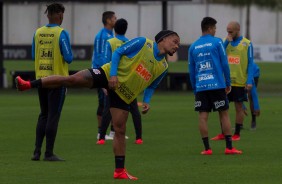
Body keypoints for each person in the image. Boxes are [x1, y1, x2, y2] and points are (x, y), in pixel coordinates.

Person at [16, 30, 180, 180]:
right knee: (71, 80)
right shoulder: (144, 43)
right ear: (163, 39)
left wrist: (147, 101)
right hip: (107, 75)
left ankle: (119, 171)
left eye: (178, 44)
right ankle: (28, 84)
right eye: (174, 41)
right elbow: (118, 52)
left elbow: (151, 85)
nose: (176, 46)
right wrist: (113, 75)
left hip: (124, 95)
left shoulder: (163, 66)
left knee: (120, 131)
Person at [188, 17, 242, 155]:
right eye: (215, 28)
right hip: (217, 85)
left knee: (203, 116)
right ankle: (229, 147)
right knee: (224, 114)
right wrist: (228, 82)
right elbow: (224, 64)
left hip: (201, 86)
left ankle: (207, 149)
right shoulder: (217, 42)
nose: (215, 31)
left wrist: (195, 88)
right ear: (210, 28)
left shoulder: (193, 46)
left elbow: (192, 70)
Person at [30, 3, 73, 161]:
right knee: (53, 116)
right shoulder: (61, 33)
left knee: (43, 115)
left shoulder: (37, 32)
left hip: (41, 80)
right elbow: (69, 58)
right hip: (57, 81)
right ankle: (49, 153)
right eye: (62, 15)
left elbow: (34, 55)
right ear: (59, 15)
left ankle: (36, 152)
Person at [97, 18, 143, 145]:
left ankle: (101, 138)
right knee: (134, 109)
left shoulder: (110, 42)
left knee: (108, 108)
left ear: (115, 28)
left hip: (113, 79)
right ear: (126, 29)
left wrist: (104, 82)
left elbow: (106, 62)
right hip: (127, 81)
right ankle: (139, 137)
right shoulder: (130, 42)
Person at [211, 21, 254, 141]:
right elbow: (218, 54)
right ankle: (223, 133)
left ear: (238, 29)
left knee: (239, 107)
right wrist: (226, 42)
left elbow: (250, 64)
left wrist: (249, 80)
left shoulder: (247, 44)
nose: (229, 33)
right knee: (221, 107)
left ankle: (237, 134)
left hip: (240, 82)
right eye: (227, 31)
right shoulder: (225, 42)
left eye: (231, 31)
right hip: (225, 82)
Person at [91, 11, 117, 139]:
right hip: (102, 73)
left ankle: (113, 132)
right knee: (103, 103)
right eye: (114, 18)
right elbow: (100, 57)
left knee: (111, 102)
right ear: (108, 20)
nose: (116, 20)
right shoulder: (103, 36)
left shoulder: (109, 34)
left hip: (108, 72)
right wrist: (103, 78)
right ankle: (100, 132)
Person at [244, 62, 260, 130]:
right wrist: (242, 106)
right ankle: (239, 124)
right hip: (242, 71)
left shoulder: (251, 67)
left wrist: (257, 106)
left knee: (250, 95)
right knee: (238, 93)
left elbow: (254, 92)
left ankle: (253, 121)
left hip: (254, 73)